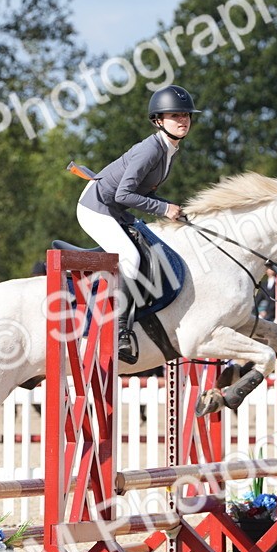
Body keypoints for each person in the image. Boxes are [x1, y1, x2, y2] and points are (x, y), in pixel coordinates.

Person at [76, 84, 199, 363]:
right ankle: (120, 331)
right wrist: (164, 208)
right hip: (96, 208)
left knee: (151, 248)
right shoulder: (150, 150)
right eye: (175, 116)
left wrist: (172, 209)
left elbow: (142, 193)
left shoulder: (169, 149)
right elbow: (124, 194)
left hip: (115, 209)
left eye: (186, 115)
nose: (183, 120)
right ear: (159, 120)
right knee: (130, 256)